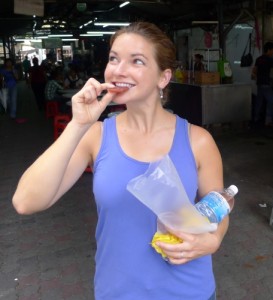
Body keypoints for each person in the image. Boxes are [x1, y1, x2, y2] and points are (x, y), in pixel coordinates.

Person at [12, 22, 228, 299]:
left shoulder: (198, 141)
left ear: (163, 78)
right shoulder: (96, 136)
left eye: (136, 60)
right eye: (114, 59)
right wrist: (78, 125)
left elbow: (219, 208)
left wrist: (214, 240)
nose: (118, 70)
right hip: (118, 291)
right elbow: (26, 202)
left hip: (190, 290)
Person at [251, 41, 273, 127]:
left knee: (259, 102)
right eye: (272, 50)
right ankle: (268, 121)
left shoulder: (259, 59)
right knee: (271, 102)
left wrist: (254, 76)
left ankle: (256, 119)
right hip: (266, 85)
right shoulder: (270, 60)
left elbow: (254, 70)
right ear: (269, 50)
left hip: (259, 84)